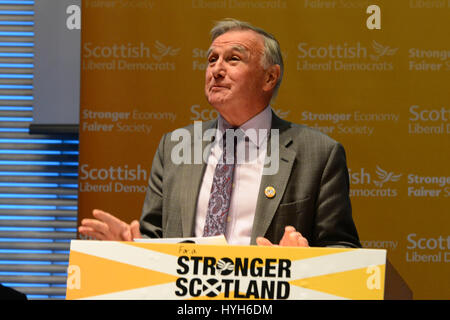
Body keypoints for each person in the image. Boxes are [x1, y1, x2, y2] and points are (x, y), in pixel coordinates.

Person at [79, 18, 361, 248]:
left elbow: (342, 250)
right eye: (212, 59)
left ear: (269, 77)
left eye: (233, 59)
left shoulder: (319, 154)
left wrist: (301, 260)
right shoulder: (175, 147)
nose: (216, 70)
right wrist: (133, 248)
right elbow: (156, 241)